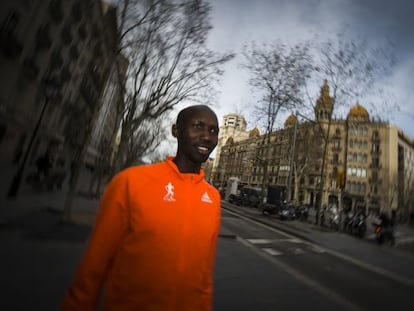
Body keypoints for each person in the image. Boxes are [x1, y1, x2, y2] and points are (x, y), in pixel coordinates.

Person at [61, 105, 221, 311]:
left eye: (214, 131)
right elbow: (94, 266)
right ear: (176, 131)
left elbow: (205, 275)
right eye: (198, 126)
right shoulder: (130, 182)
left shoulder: (213, 198)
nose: (207, 137)